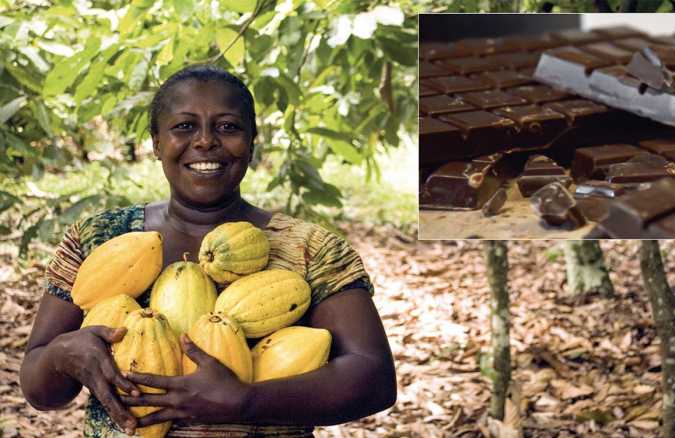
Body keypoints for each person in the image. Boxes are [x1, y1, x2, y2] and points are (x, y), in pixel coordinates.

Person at [20, 64, 396, 437]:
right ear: (156, 142)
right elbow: (39, 388)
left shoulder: (312, 249)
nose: (205, 141)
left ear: (252, 141)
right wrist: (62, 356)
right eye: (184, 126)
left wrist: (246, 400)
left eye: (228, 126)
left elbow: (374, 379)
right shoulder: (99, 237)